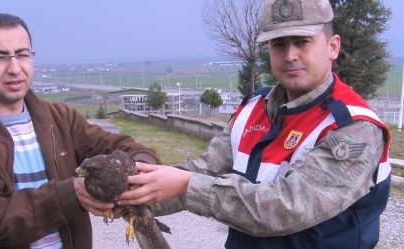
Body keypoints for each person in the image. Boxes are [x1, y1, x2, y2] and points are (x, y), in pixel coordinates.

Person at [117, 0, 392, 248]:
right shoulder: (253, 109)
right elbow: (205, 169)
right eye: (279, 44)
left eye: (302, 41)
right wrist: (121, 194)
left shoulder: (354, 127)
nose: (290, 55)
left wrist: (186, 186)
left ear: (333, 47)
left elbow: (288, 206)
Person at [0, 13, 161, 249]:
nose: (14, 68)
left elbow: (126, 148)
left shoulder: (61, 118)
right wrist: (68, 196)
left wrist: (138, 174)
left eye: (22, 54)